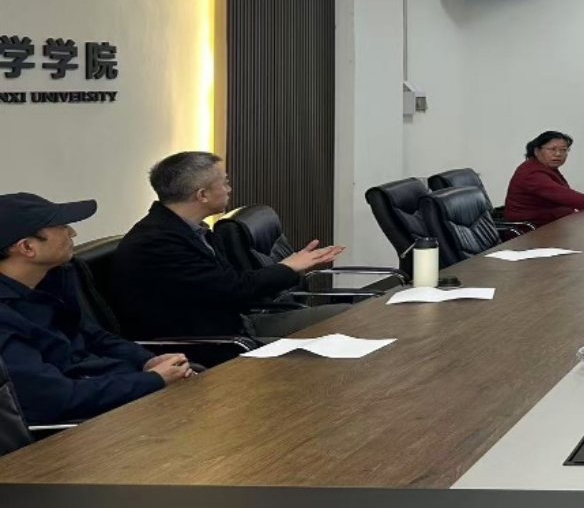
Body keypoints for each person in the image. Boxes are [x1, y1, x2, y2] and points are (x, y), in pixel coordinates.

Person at [114, 152, 349, 341]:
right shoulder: (157, 243)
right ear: (202, 195)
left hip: (238, 323)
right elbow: (234, 288)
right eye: (224, 183)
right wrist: (289, 267)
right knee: (343, 330)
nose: (229, 189)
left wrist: (289, 266)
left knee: (348, 316)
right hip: (215, 341)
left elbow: (229, 284)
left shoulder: (190, 229)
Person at [0, 193, 192, 425]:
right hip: (83, 423)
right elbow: (54, 398)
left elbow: (94, 336)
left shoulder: (52, 280)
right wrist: (152, 380)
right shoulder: (6, 319)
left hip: (115, 389)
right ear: (28, 247)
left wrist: (146, 361)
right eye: (61, 227)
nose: (73, 233)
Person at [504, 132, 584, 227]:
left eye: (563, 150)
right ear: (537, 151)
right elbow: (558, 192)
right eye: (552, 149)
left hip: (552, 224)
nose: (558, 154)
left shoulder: (545, 168)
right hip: (530, 231)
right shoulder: (530, 172)